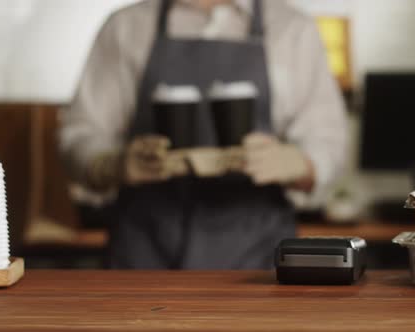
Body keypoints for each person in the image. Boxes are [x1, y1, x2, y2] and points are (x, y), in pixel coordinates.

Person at [59, 0, 348, 269]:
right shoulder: (126, 26)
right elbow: (81, 132)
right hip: (142, 252)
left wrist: (298, 163)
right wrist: (111, 164)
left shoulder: (292, 29)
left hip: (257, 257)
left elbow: (329, 142)